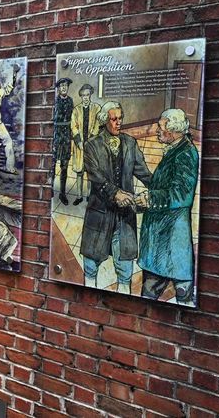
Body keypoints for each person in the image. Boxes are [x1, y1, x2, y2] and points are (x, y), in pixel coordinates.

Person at [81, 101, 152, 295]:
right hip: (99, 214)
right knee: (90, 265)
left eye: (120, 118)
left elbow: (144, 173)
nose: (118, 123)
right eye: (114, 119)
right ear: (105, 121)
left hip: (124, 217)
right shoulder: (91, 146)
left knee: (125, 270)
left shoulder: (130, 143)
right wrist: (115, 193)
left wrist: (156, 190)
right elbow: (96, 177)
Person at [135, 109, 199, 304]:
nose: (157, 131)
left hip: (171, 237)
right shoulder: (176, 149)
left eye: (161, 127)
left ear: (173, 131)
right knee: (152, 286)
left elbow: (182, 195)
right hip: (162, 237)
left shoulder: (186, 154)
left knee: (178, 290)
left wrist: (151, 199)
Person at [70, 83, 100, 205]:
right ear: (81, 96)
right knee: (79, 172)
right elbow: (73, 126)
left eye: (88, 95)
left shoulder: (96, 108)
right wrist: (79, 142)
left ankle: (89, 195)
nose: (86, 97)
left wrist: (90, 142)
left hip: (91, 146)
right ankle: (79, 196)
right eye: (83, 95)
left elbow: (97, 126)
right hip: (80, 146)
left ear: (90, 95)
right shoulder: (76, 110)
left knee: (90, 172)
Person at [50, 78, 74, 204]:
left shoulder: (70, 101)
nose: (64, 88)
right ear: (58, 88)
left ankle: (62, 193)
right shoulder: (55, 102)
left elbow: (72, 118)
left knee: (64, 166)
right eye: (61, 86)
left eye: (65, 86)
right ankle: (50, 189)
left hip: (66, 137)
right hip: (56, 136)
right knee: (53, 164)